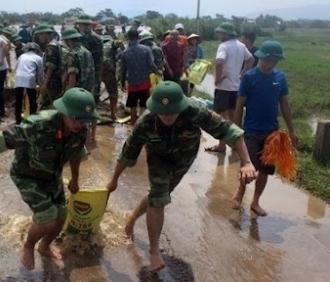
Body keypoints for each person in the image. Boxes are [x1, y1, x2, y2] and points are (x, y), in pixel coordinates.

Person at [106, 80, 257, 271]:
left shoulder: (195, 111)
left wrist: (247, 162)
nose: (168, 116)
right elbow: (127, 154)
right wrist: (113, 180)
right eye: (163, 112)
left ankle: (132, 216)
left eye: (173, 112)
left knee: (160, 193)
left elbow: (231, 132)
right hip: (158, 157)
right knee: (159, 197)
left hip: (185, 156)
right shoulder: (146, 122)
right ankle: (154, 251)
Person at [0, 88, 100, 270]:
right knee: (47, 217)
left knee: (61, 216)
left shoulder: (79, 131)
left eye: (83, 120)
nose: (79, 124)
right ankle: (28, 246)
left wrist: (75, 179)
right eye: (75, 118)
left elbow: (75, 154)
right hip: (26, 174)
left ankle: (45, 246)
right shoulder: (38, 125)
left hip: (51, 175)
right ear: (64, 112)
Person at [232, 41, 298, 216]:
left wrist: (292, 131)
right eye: (267, 60)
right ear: (260, 57)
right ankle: (240, 192)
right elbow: (239, 105)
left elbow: (284, 104)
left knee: (265, 170)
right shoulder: (249, 77)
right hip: (251, 130)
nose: (270, 64)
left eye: (274, 61)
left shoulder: (280, 78)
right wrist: (236, 130)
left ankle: (255, 201)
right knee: (248, 166)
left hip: (272, 133)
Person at [206, 22, 255, 153]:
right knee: (234, 118)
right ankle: (235, 144)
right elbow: (251, 60)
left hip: (223, 88)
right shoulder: (241, 46)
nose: (218, 35)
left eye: (220, 33)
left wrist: (217, 79)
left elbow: (219, 62)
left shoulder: (224, 46)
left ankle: (222, 145)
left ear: (226, 34)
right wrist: (242, 74)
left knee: (221, 119)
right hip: (236, 88)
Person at [120, 30, 162, 125]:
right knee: (143, 105)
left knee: (133, 105)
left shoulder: (124, 53)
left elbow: (123, 70)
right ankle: (141, 125)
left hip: (132, 83)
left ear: (128, 38)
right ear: (138, 37)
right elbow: (151, 64)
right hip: (144, 82)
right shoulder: (146, 49)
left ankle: (133, 126)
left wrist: (122, 83)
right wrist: (157, 71)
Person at [75, 15, 103, 140]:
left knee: (91, 105)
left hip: (89, 77)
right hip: (82, 76)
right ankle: (85, 134)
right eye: (82, 25)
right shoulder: (76, 38)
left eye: (86, 25)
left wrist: (99, 79)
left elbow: (100, 62)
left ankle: (91, 135)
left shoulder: (96, 39)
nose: (84, 27)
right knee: (84, 104)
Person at [36, 24, 65, 109]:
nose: (39, 37)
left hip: (52, 80)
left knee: (49, 104)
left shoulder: (51, 46)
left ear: (46, 34)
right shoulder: (55, 44)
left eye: (40, 34)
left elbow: (51, 66)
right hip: (55, 79)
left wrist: (45, 83)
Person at [14, 43, 44, 124]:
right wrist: (42, 85)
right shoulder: (38, 58)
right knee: (32, 101)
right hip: (30, 79)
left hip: (19, 78)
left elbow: (16, 68)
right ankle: (32, 120)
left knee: (18, 101)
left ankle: (18, 120)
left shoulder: (22, 56)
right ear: (37, 50)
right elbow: (40, 74)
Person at [63, 29, 95, 93]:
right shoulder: (87, 51)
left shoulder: (72, 54)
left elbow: (72, 75)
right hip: (88, 88)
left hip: (77, 90)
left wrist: (70, 93)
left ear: (69, 41)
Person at [101, 35, 119, 120]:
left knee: (94, 94)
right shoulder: (111, 43)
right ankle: (113, 114)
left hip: (97, 70)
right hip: (108, 71)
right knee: (113, 93)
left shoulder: (98, 45)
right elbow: (119, 42)